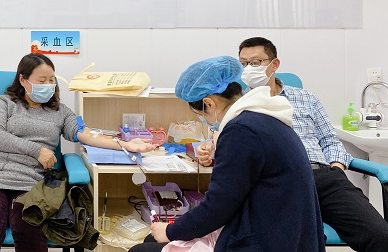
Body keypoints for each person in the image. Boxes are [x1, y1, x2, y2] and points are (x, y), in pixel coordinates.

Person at [130, 56, 324, 252]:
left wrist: (171, 231)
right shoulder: (263, 117)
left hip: (268, 239)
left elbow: (218, 205)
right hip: (282, 228)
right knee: (153, 239)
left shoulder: (240, 131)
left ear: (209, 104)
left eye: (200, 115)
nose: (204, 121)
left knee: (142, 250)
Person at [0, 53, 158, 252]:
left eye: (52, 80)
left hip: (33, 183)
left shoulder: (60, 112)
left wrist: (126, 144)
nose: (48, 85)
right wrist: (36, 150)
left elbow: (86, 134)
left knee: (30, 232)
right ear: (23, 80)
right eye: (42, 80)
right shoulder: (4, 103)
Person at [217, 36, 388, 252]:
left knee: (379, 235)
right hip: (277, 183)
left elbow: (330, 140)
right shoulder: (238, 105)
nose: (249, 69)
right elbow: (223, 142)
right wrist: (207, 149)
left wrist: (335, 169)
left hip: (322, 177)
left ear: (274, 64)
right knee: (294, 243)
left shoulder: (306, 98)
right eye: (244, 64)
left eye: (256, 62)